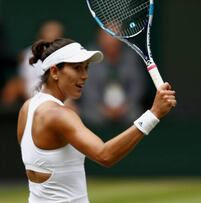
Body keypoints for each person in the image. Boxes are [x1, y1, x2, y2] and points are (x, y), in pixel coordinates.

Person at [17, 38, 176, 202]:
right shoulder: (60, 114)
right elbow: (105, 155)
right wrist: (153, 114)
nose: (85, 76)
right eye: (77, 68)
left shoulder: (27, 108)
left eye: (86, 68)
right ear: (55, 72)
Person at [76, 29, 146, 127]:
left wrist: (126, 106)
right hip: (96, 110)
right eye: (107, 43)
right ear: (100, 40)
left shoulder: (131, 57)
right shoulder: (91, 57)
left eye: (114, 43)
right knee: (90, 115)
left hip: (127, 110)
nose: (111, 46)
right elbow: (87, 87)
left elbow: (138, 85)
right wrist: (101, 108)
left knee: (137, 116)